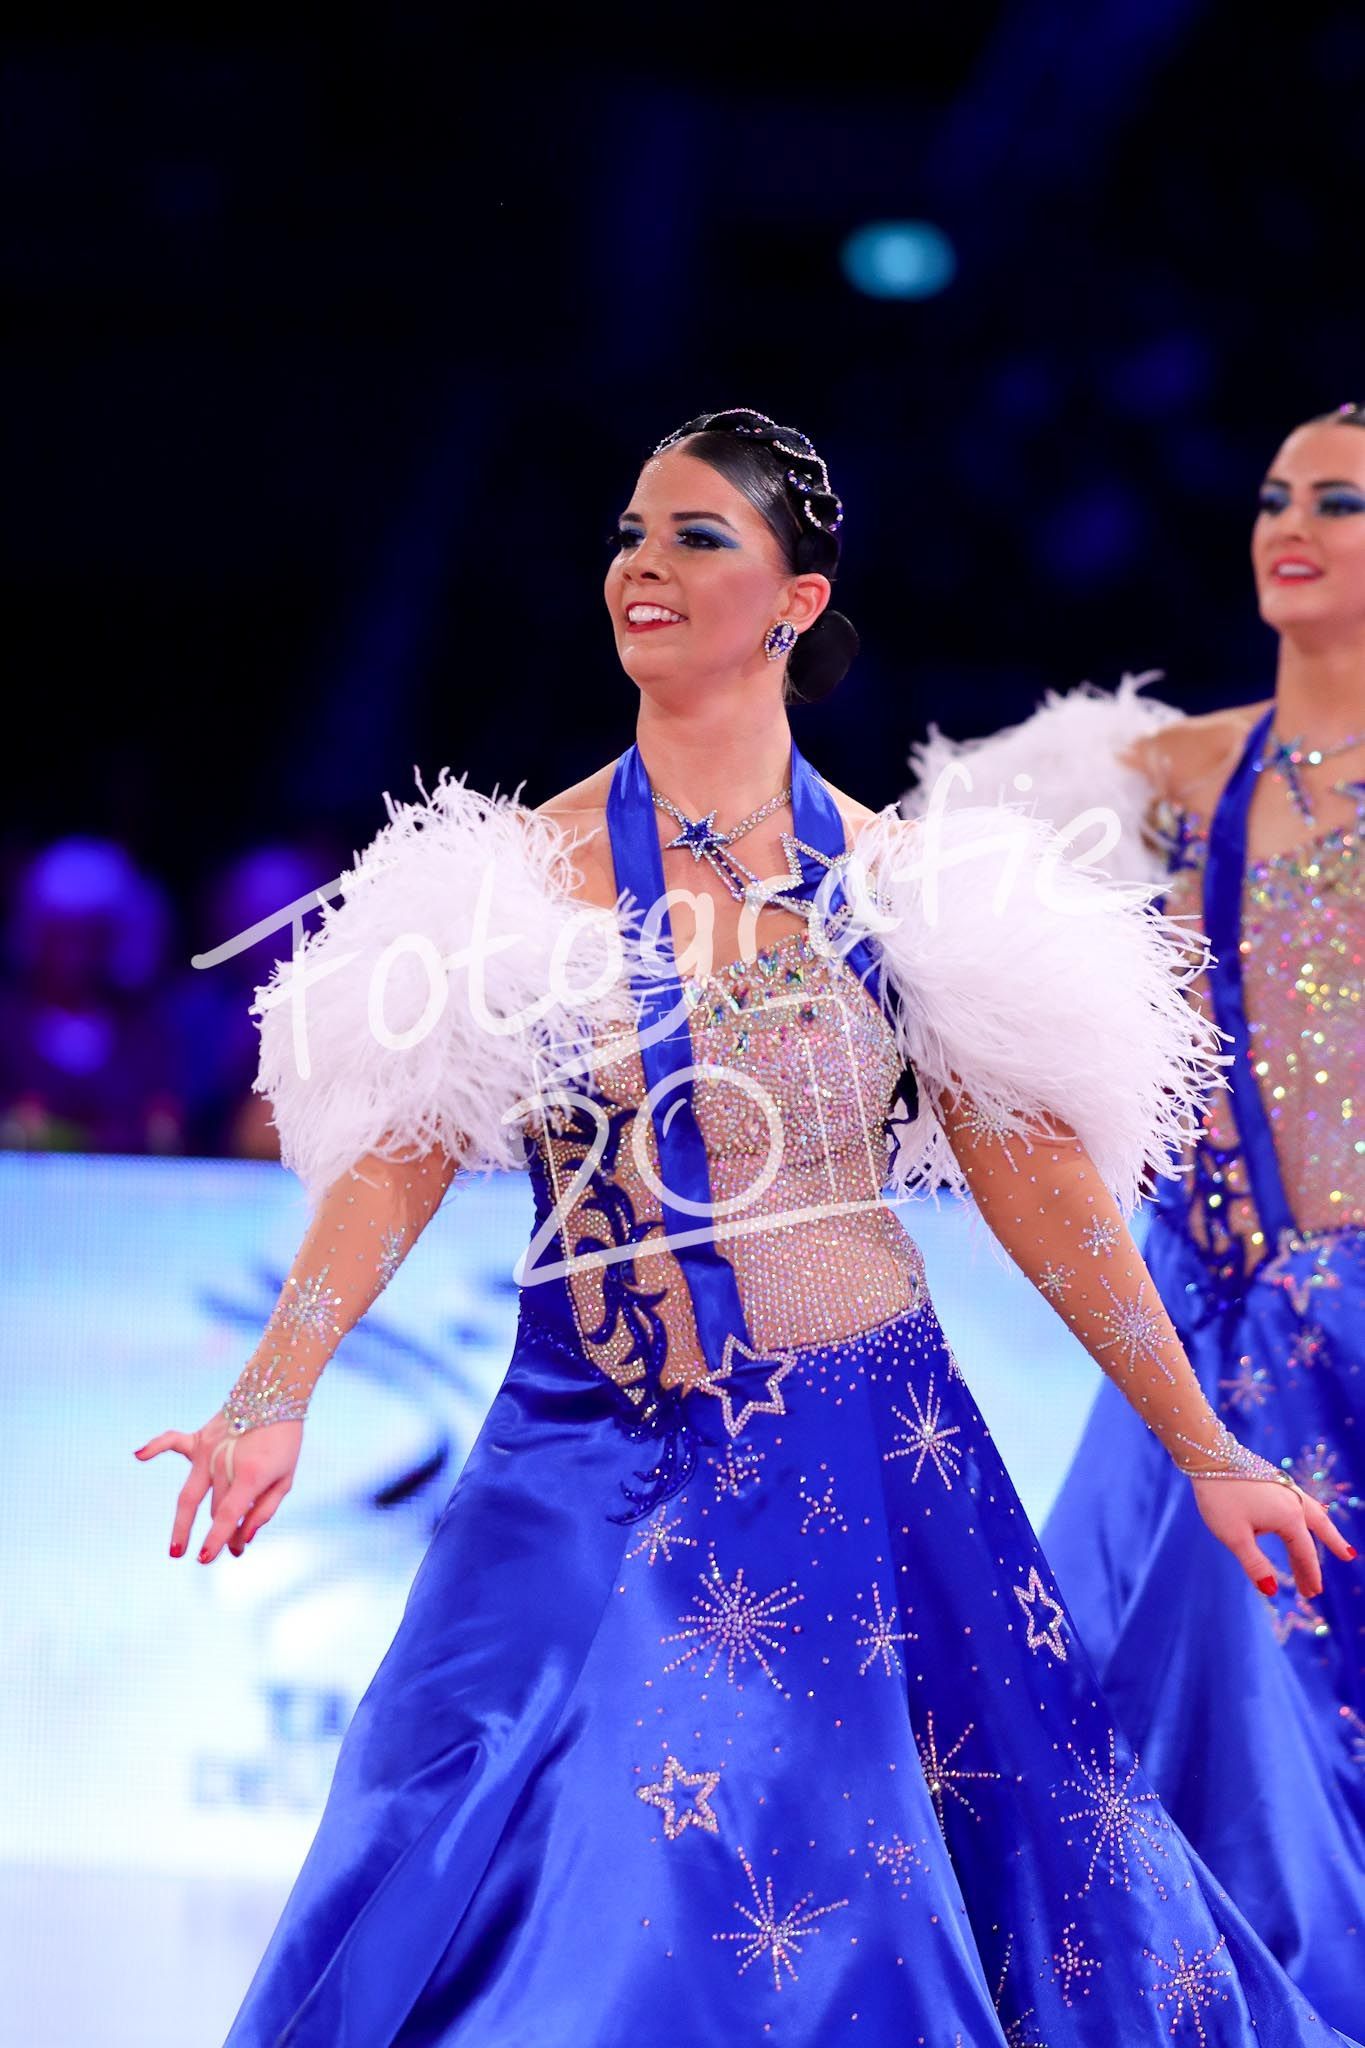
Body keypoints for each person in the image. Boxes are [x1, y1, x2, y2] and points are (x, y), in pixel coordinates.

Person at [138, 409, 1358, 2047]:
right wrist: (274, 1389)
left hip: (861, 1461)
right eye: (628, 535)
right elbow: (396, 1159)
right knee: (473, 1843)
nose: (642, 566)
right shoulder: (504, 881)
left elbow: (1048, 1197)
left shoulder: (909, 887)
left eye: (696, 536)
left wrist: (1203, 1446)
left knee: (837, 1896)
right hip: (576, 1457)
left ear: (797, 600)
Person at [905, 402, 1365, 2031]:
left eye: (1337, 501)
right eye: (1273, 495)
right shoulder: (1156, 779)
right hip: (1209, 1315)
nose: (1287, 524)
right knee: (1170, 1713)